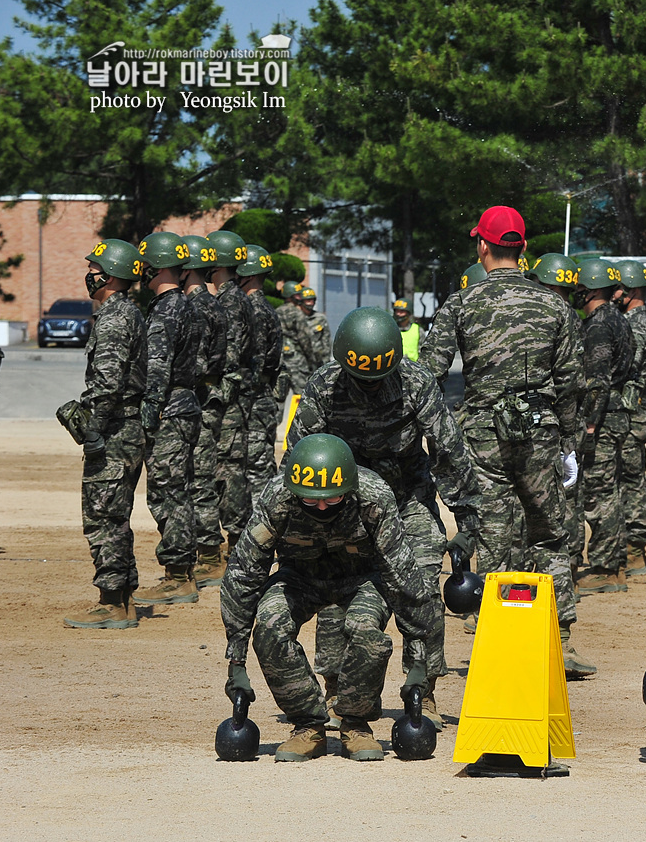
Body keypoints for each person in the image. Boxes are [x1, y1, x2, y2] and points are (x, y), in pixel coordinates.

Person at [290, 306, 486, 729]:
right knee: (338, 585)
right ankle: (338, 684)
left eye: (377, 379)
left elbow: (448, 449)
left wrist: (466, 518)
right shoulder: (324, 386)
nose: (369, 388)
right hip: (345, 501)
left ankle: (424, 686)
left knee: (422, 587)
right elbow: (299, 452)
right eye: (360, 379)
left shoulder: (416, 382)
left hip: (406, 495)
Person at [420, 206, 594, 677]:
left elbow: (428, 374)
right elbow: (573, 382)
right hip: (540, 435)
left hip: (482, 435)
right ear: (522, 250)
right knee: (552, 536)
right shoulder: (556, 305)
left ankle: (497, 642)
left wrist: (437, 434)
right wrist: (569, 443)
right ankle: (560, 641)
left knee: (494, 539)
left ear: (483, 245)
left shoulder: (463, 303)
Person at [220, 433, 433, 761]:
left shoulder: (374, 497)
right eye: (311, 500)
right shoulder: (276, 498)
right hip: (299, 578)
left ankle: (356, 724)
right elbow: (244, 573)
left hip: (362, 580)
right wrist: (236, 658)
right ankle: (308, 725)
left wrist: (417, 657)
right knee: (270, 623)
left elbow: (402, 574)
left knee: (365, 629)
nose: (321, 506)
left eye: (331, 500)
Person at [62, 240, 147, 629]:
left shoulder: (114, 318)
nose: (89, 274)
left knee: (102, 515)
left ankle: (112, 603)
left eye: (95, 267)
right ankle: (123, 598)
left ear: (109, 275)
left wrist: (91, 430)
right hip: (126, 427)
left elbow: (108, 382)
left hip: (114, 430)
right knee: (115, 513)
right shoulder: (128, 312)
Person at [132, 232, 203, 607]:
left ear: (156, 266)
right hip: (185, 405)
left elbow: (157, 369)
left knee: (167, 492)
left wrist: (148, 414)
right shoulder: (188, 304)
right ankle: (181, 571)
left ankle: (178, 576)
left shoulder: (165, 309)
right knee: (179, 489)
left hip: (169, 411)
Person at [569, 258, 634, 595]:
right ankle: (614, 564)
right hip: (616, 415)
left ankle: (605, 570)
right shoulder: (618, 318)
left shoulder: (598, 325)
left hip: (603, 419)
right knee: (610, 490)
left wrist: (591, 423)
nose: (575, 292)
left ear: (592, 288)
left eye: (580, 287)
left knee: (598, 495)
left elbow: (598, 381)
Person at [528, 253, 587, 575]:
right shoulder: (570, 316)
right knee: (564, 500)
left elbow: (567, 379)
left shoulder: (545, 314)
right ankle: (567, 569)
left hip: (546, 421)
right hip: (563, 419)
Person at [178, 235, 230, 588]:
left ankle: (209, 552)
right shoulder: (214, 304)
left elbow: (193, 363)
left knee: (198, 479)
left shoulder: (194, 308)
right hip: (209, 398)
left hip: (198, 401)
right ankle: (208, 549)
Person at [206, 230, 257, 547]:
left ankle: (237, 544)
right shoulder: (235, 298)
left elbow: (232, 361)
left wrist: (213, 405)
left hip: (228, 404)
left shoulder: (231, 302)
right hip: (232, 401)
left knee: (228, 472)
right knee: (228, 471)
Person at [613, 258, 646, 577]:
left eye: (617, 287)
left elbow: (627, 369)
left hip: (630, 414)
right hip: (632, 412)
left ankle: (634, 550)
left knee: (630, 480)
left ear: (629, 289)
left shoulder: (636, 325)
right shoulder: (637, 320)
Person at [238, 245, 283, 490]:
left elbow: (253, 363)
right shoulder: (264, 307)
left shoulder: (254, 310)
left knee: (256, 471)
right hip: (261, 398)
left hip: (254, 400)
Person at [275, 281, 314, 400]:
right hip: (298, 361)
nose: (300, 297)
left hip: (280, 359)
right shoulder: (297, 313)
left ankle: (278, 419)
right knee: (303, 396)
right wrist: (311, 358)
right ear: (290, 296)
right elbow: (305, 339)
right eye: (297, 295)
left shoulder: (276, 312)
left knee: (279, 397)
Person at [298, 287, 332, 371]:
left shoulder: (320, 318)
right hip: (299, 362)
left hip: (317, 361)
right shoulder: (296, 318)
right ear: (301, 301)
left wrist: (326, 361)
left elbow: (326, 341)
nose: (311, 303)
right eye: (308, 300)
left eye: (312, 300)